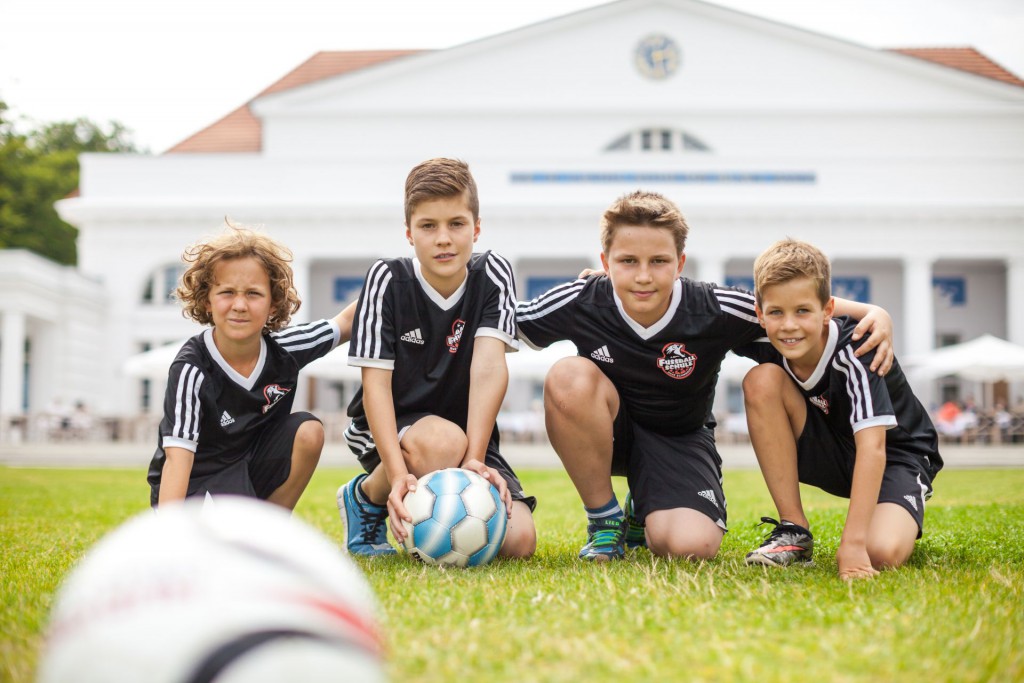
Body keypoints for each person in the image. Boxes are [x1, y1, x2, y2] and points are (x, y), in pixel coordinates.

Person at [516, 190, 894, 562]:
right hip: (613, 434)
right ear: (605, 261)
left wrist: (872, 311)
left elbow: (782, 307)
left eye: (659, 261)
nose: (643, 276)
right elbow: (500, 326)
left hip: (680, 437)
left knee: (689, 547)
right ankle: (605, 521)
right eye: (628, 261)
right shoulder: (582, 298)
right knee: (568, 375)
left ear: (680, 263)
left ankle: (642, 508)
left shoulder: (712, 307)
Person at [337, 158, 537, 558]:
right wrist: (396, 476)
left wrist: (476, 459)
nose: (443, 238)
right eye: (428, 226)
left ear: (476, 228)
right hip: (392, 428)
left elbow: (488, 367)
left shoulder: (494, 273)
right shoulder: (387, 279)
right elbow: (374, 385)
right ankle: (365, 498)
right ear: (409, 233)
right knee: (441, 442)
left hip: (468, 433)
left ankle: (452, 467)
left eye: (457, 224)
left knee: (518, 542)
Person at [740, 238, 942, 579]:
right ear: (761, 315)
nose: (789, 325)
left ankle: (889, 516)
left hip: (894, 456)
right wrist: (874, 309)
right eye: (776, 312)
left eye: (803, 311)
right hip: (833, 450)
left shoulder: (857, 351)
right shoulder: (768, 334)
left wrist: (853, 544)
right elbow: (701, 310)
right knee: (762, 380)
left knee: (882, 552)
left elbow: (874, 448)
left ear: (828, 310)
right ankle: (794, 532)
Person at [147, 224, 352, 510]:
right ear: (207, 300)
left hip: (250, 471)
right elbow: (177, 460)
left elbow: (345, 323)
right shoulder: (191, 368)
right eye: (227, 292)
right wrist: (173, 535)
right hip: (197, 483)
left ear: (273, 303)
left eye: (253, 294)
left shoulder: (286, 348)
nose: (240, 305)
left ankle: (272, 533)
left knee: (308, 431)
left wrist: (412, 275)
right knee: (219, 552)